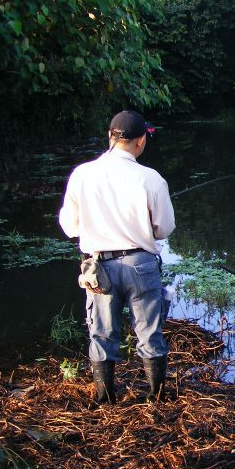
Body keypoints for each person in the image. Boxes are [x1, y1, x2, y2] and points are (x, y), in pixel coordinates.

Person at [59, 110, 176, 404]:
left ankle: (105, 397)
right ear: (140, 141)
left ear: (110, 136)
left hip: (98, 267)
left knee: (101, 332)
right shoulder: (151, 179)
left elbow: (69, 226)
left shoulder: (82, 175)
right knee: (149, 332)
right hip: (140, 265)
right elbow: (164, 229)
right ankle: (156, 398)